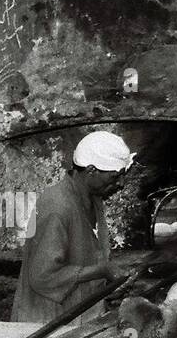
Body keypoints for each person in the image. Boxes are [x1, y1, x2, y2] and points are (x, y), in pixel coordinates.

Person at [12, 131, 134, 326]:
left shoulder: (93, 197)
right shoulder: (57, 207)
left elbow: (87, 254)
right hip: (46, 323)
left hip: (78, 314)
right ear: (92, 171)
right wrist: (102, 270)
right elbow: (43, 276)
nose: (120, 184)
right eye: (115, 177)